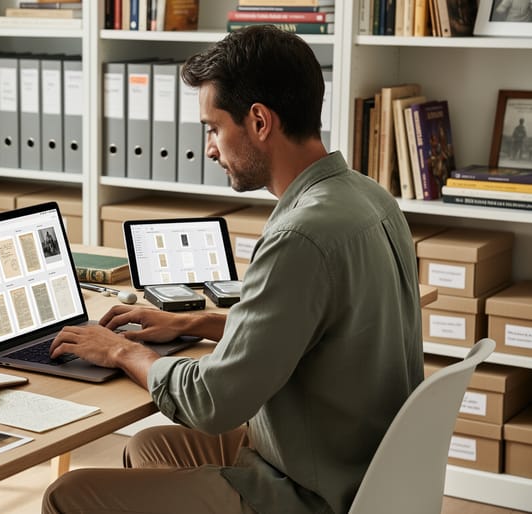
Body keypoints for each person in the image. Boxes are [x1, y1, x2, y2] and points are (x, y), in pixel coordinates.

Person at [43, 25, 422, 514]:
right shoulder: (369, 197)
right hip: (359, 464)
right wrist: (193, 322)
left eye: (213, 127)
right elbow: (312, 331)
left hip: (309, 491)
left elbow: (211, 402)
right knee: (149, 447)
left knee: (65, 496)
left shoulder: (298, 237)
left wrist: (118, 349)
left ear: (260, 121)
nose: (210, 148)